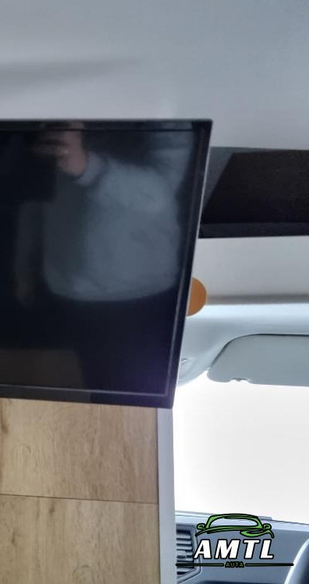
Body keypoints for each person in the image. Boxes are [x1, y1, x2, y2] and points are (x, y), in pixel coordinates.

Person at [14, 123, 195, 392]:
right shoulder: (63, 111)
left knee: (128, 399)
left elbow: (159, 195)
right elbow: (35, 200)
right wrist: (22, 266)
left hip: (140, 297)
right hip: (59, 287)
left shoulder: (167, 117)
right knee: (58, 394)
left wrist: (86, 166)